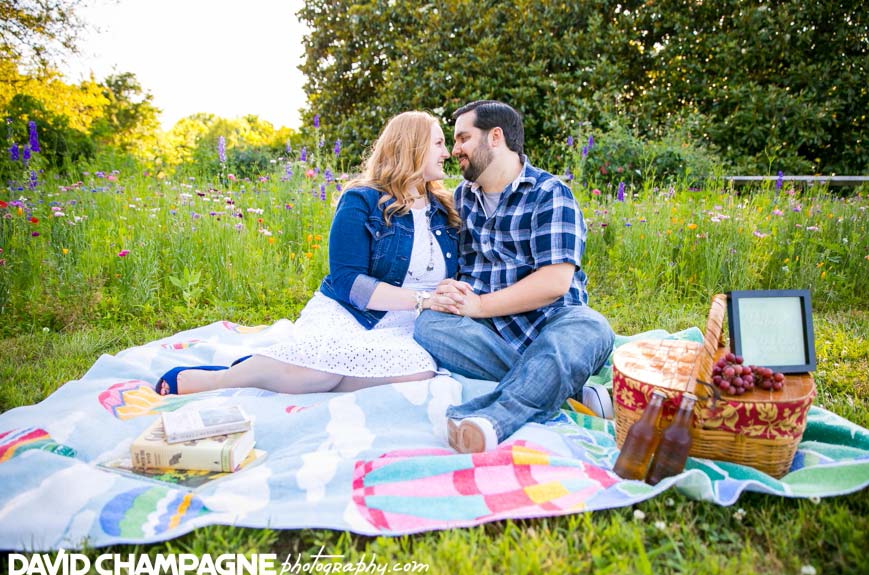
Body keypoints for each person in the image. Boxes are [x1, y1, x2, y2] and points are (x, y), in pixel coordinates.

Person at [155, 111, 459, 396]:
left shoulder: (445, 208)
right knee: (321, 369)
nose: (446, 153)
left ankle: (281, 366)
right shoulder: (362, 200)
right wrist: (423, 300)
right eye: (438, 143)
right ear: (413, 146)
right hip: (353, 312)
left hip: (408, 324)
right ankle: (222, 378)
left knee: (418, 372)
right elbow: (346, 280)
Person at [414, 100, 616, 453]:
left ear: (495, 137)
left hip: (552, 324)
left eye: (463, 138)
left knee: (593, 326)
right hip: (490, 335)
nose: (454, 150)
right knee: (428, 325)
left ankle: (490, 421)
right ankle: (563, 389)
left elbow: (555, 283)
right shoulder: (461, 198)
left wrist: (478, 305)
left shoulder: (549, 194)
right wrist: (449, 294)